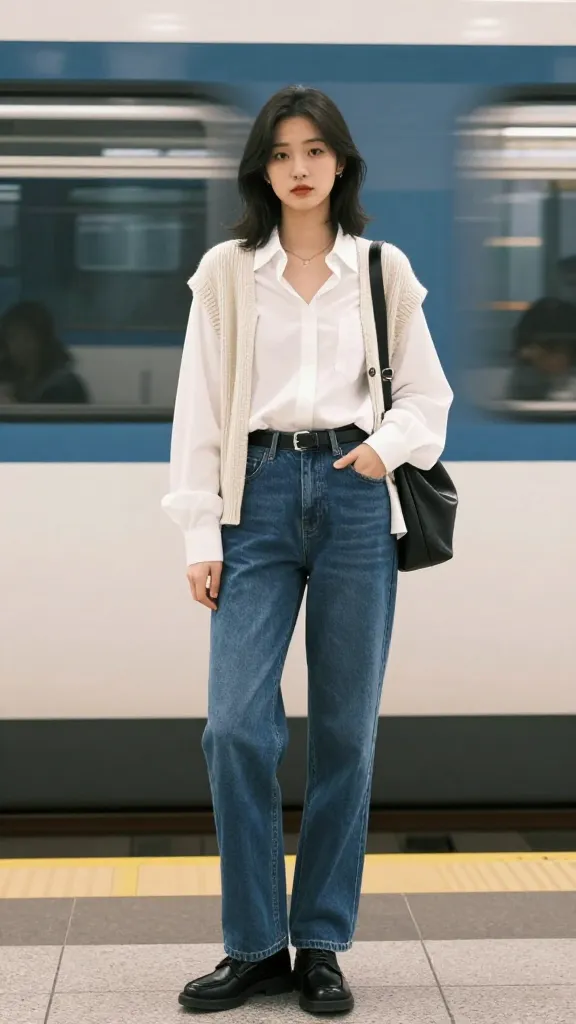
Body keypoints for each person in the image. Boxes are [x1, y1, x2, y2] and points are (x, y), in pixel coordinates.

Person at [162, 85, 453, 1016]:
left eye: (315, 150)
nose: (299, 167)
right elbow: (199, 409)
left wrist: (377, 452)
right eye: (282, 151)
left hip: (355, 496)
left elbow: (429, 396)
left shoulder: (381, 269)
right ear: (262, 167)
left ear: (341, 163)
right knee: (235, 727)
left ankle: (320, 943)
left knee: (345, 735)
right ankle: (253, 945)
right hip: (254, 498)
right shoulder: (226, 272)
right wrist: (200, 531)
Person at [0, 301, 89, 404]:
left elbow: (45, 418)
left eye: (26, 337)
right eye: (11, 338)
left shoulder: (62, 387)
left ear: (40, 340)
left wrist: (11, 406)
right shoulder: (16, 381)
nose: (16, 345)